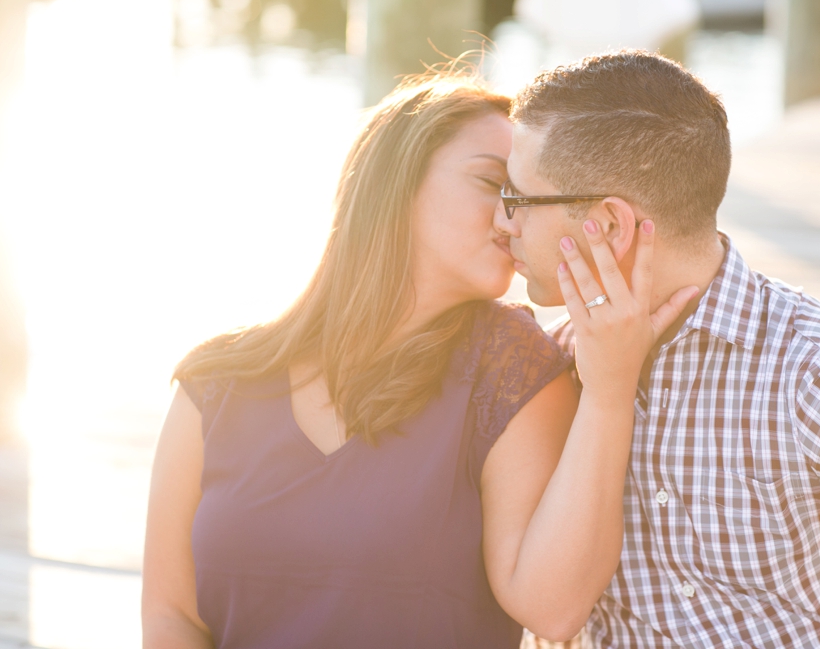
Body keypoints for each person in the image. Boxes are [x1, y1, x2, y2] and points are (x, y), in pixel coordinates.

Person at [141, 70, 695, 648]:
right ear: (394, 182)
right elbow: (171, 616)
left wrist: (609, 392)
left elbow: (553, 610)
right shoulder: (216, 382)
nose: (513, 219)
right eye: (492, 183)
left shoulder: (513, 374)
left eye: (524, 197)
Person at [496, 50, 820, 648]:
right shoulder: (551, 368)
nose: (501, 220)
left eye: (517, 198)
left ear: (609, 226)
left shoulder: (812, 374)